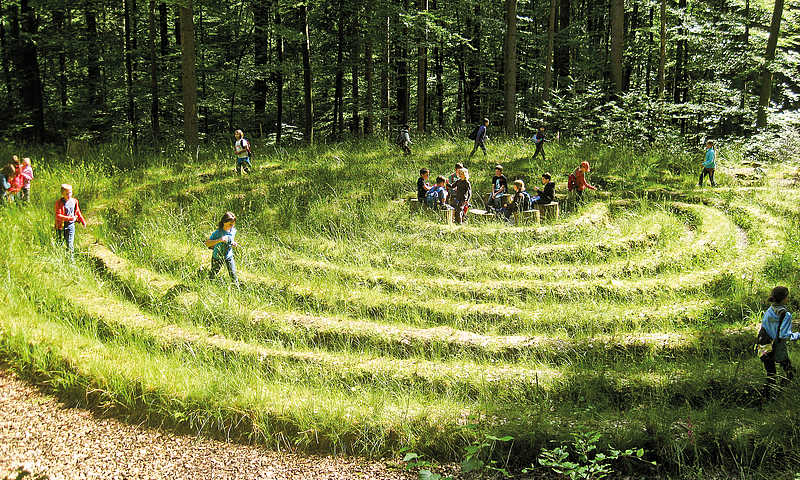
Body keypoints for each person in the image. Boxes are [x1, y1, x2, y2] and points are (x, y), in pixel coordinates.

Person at [759, 286, 799, 399]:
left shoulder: (770, 310)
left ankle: (764, 398)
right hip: (777, 347)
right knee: (789, 371)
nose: (788, 298)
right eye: (787, 297)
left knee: (771, 374)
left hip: (764, 345)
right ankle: (782, 394)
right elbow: (784, 335)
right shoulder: (785, 314)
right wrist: (797, 335)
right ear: (783, 298)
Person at [205, 211, 240, 287]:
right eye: (230, 224)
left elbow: (231, 240)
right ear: (224, 222)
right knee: (213, 273)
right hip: (217, 257)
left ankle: (237, 290)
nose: (232, 226)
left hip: (229, 256)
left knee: (233, 274)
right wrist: (219, 240)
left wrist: (233, 243)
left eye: (233, 224)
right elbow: (207, 243)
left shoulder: (233, 231)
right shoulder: (217, 233)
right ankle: (207, 286)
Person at [54, 184, 87, 259]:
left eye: (70, 193)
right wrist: (70, 218)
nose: (69, 195)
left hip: (71, 226)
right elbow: (58, 216)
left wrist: (82, 221)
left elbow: (77, 211)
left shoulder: (74, 201)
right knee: (59, 243)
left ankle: (71, 260)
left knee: (70, 244)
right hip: (60, 226)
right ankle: (60, 259)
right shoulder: (59, 203)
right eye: (67, 194)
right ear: (62, 193)